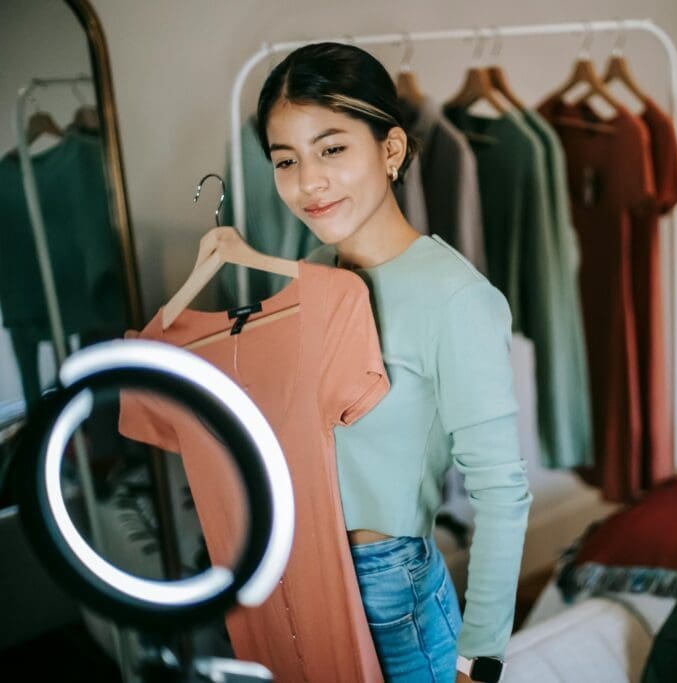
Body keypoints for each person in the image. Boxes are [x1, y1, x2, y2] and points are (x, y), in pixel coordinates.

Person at [255, 42, 531, 682]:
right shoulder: (309, 280)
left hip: (390, 595)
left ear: (392, 149)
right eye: (286, 160)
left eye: (332, 149)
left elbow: (502, 493)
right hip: (297, 571)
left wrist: (479, 659)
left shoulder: (457, 298)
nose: (308, 182)